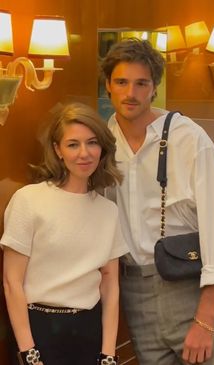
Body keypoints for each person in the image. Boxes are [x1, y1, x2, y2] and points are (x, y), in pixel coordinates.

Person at [101, 38, 214, 365]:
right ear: (108, 86)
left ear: (154, 88)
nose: (130, 93)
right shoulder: (103, 141)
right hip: (134, 292)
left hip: (189, 289)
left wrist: (205, 318)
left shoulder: (188, 139)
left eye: (141, 83)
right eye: (121, 82)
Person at [0, 102, 128, 365]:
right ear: (57, 150)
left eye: (92, 142)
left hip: (90, 331)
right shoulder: (29, 200)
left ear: (102, 147)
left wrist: (108, 353)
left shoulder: (108, 211)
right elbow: (12, 283)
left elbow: (110, 283)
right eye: (73, 144)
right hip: (39, 330)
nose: (84, 153)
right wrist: (29, 352)